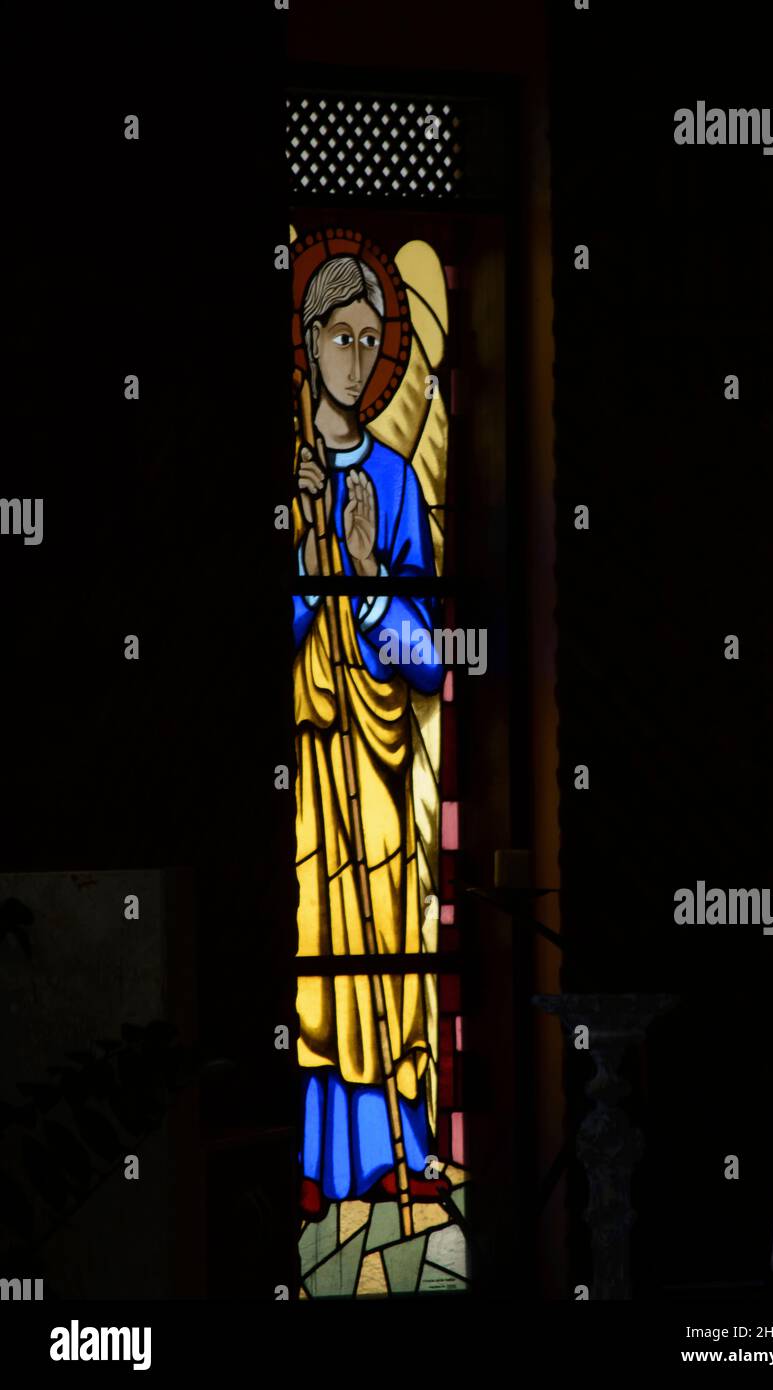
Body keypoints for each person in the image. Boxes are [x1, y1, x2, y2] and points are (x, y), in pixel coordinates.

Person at [293, 252, 449, 1218]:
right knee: (317, 934)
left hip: (382, 752)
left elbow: (431, 656)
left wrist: (366, 571)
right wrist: (311, 553)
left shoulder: (394, 479)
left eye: (367, 341)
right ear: (306, 345)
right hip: (310, 751)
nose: (353, 360)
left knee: (387, 935)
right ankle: (314, 1159)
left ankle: (400, 1146)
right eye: (336, 338)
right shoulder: (288, 475)